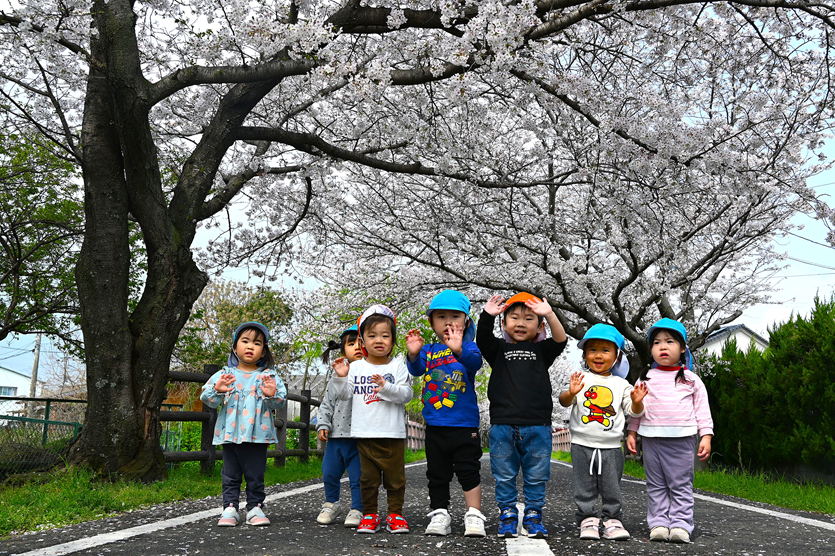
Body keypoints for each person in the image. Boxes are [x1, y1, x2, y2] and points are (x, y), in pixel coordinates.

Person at [476, 292, 568, 538]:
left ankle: (533, 514)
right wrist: (487, 315)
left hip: (537, 426)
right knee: (504, 475)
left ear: (539, 327)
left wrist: (549, 312)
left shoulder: (542, 351)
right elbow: (482, 338)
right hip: (502, 425)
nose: (520, 323)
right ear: (504, 324)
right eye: (513, 318)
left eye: (529, 319)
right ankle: (507, 514)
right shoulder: (498, 349)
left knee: (537, 475)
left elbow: (561, 340)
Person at [405, 290, 486, 537]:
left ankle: (474, 514)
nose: (449, 322)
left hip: (464, 424)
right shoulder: (429, 350)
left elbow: (475, 363)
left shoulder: (469, 347)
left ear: (466, 322)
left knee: (468, 470)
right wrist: (413, 353)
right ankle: (440, 512)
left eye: (455, 316)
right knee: (437, 473)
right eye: (441, 317)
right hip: (435, 424)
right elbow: (417, 370)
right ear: (432, 323)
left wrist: (458, 349)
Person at [626, 318, 714, 544]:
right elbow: (637, 409)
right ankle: (658, 524)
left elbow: (702, 409)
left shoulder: (691, 379)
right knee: (655, 485)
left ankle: (681, 525)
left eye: (670, 342)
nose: (663, 347)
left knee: (680, 484)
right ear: (651, 349)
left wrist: (706, 435)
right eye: (656, 343)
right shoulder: (645, 378)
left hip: (682, 440)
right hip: (652, 439)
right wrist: (632, 433)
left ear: (683, 347)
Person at [558, 324, 648, 541]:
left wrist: (637, 402)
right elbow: (563, 401)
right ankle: (587, 518)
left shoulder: (621, 384)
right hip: (581, 443)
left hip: (610, 446)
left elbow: (633, 410)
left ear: (617, 356)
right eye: (592, 350)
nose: (598, 355)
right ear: (585, 354)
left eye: (605, 350)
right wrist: (571, 392)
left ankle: (612, 519)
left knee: (611, 486)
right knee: (584, 485)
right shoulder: (580, 379)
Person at [331, 305, 414, 534]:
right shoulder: (356, 367)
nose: (379, 340)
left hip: (391, 434)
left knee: (395, 479)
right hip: (364, 433)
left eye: (385, 335)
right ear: (362, 342)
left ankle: (395, 515)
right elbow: (344, 394)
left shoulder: (398, 366)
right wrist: (341, 378)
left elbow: (406, 395)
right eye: (372, 335)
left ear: (393, 340)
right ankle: (370, 515)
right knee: (366, 479)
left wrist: (385, 387)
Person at [200, 322, 287, 527]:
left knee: (255, 473)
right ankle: (229, 508)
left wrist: (271, 394)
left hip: (258, 434)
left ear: (263, 350)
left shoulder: (268, 376)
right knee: (230, 473)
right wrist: (218, 389)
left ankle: (255, 507)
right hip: (231, 433)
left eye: (257, 343)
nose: (250, 346)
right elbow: (208, 398)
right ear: (235, 346)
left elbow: (280, 401)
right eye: (245, 341)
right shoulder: (225, 374)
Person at [316, 325, 364, 528]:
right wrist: (322, 424)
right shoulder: (336, 376)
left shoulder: (371, 374)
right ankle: (332, 502)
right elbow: (327, 403)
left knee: (358, 476)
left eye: (362, 342)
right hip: (337, 435)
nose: (357, 347)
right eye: (351, 344)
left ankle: (358, 508)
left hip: (360, 437)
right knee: (329, 472)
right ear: (343, 351)